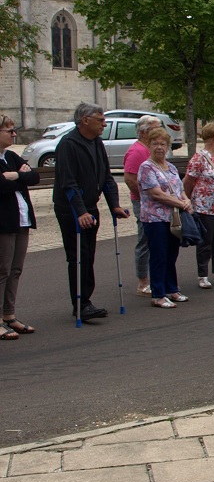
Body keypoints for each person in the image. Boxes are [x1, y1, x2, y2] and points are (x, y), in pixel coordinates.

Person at [54, 103, 131, 320]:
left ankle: (86, 300)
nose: (104, 124)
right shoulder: (68, 144)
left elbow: (106, 177)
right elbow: (68, 184)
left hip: (90, 206)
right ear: (85, 120)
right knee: (78, 256)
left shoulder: (97, 143)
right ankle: (81, 304)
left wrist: (113, 204)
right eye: (100, 119)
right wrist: (79, 212)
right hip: (71, 209)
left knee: (89, 255)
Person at [138, 128, 191, 308]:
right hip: (155, 218)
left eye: (163, 144)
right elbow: (156, 194)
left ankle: (172, 288)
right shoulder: (146, 167)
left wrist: (186, 200)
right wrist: (180, 203)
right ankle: (158, 293)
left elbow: (180, 189)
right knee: (159, 255)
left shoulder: (172, 167)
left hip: (172, 218)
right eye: (155, 143)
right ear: (149, 145)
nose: (159, 147)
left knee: (171, 254)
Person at [0, 114, 38, 337]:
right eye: (9, 131)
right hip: (4, 222)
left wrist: (14, 176)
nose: (14, 134)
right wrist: (18, 179)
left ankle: (9, 314)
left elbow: (33, 177)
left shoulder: (12, 157)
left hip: (21, 220)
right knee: (2, 270)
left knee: (16, 269)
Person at [184, 123, 214, 288]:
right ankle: (202, 274)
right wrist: (187, 201)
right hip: (204, 207)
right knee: (205, 242)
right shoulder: (199, 158)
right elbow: (188, 181)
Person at [122, 115, 161, 296]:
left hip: (156, 201)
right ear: (145, 132)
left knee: (154, 240)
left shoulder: (151, 149)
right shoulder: (137, 151)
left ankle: (154, 278)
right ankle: (142, 281)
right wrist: (144, 198)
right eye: (156, 127)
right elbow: (129, 179)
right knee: (144, 240)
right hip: (143, 202)